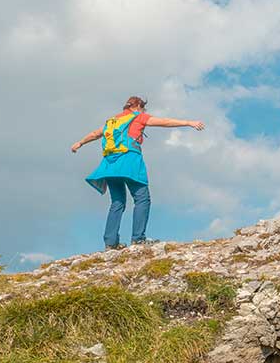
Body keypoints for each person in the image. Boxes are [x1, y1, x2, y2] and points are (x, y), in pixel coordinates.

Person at [71, 96, 204, 250]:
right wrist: (188, 122)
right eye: (144, 108)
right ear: (138, 106)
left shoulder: (112, 121)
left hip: (110, 165)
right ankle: (138, 239)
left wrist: (79, 143)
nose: (145, 111)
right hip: (129, 162)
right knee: (142, 199)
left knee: (117, 202)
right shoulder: (139, 117)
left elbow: (95, 133)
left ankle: (110, 243)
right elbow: (164, 122)